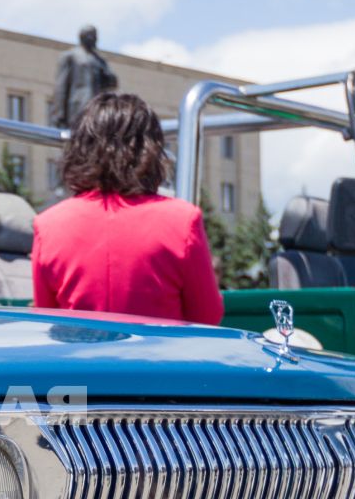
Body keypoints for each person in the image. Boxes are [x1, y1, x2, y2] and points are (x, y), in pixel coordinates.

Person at [30, 92, 224, 325]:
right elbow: (207, 316)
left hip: (78, 359)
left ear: (80, 149)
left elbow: (46, 319)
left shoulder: (48, 224)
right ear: (150, 150)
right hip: (161, 360)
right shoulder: (183, 220)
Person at [49, 25, 118, 129]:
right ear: (83, 37)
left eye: (96, 36)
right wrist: (58, 114)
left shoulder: (99, 60)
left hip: (97, 107)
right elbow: (61, 86)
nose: (95, 39)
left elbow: (112, 84)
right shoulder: (71, 56)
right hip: (78, 106)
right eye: (92, 36)